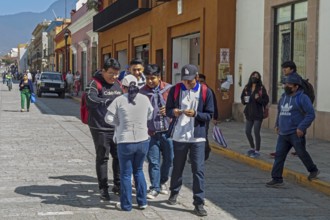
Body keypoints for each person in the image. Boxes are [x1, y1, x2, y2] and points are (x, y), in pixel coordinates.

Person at [166, 64, 214, 217]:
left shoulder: (206, 92)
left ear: (197, 77)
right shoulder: (175, 90)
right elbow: (168, 110)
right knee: (178, 166)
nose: (187, 83)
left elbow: (209, 115)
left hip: (197, 137)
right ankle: (174, 192)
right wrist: (173, 112)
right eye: (185, 80)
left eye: (190, 81)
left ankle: (199, 202)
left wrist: (196, 114)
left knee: (198, 170)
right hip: (179, 135)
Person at [105, 74, 153, 211]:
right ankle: (142, 202)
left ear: (122, 87)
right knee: (139, 171)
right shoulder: (145, 99)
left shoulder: (119, 100)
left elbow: (108, 118)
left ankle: (126, 205)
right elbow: (150, 114)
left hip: (125, 141)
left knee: (126, 174)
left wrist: (118, 123)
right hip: (143, 140)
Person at [266, 74, 319, 187]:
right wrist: (277, 124)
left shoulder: (302, 98)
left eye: (289, 84)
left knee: (301, 153)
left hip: (295, 132)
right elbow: (280, 112)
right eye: (285, 84)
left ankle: (313, 170)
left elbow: (311, 114)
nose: (286, 86)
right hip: (283, 133)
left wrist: (302, 127)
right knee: (279, 155)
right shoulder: (283, 97)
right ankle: (277, 178)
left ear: (296, 87)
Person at [85, 58, 122, 200]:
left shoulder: (118, 84)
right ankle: (103, 188)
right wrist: (107, 101)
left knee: (118, 156)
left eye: (116, 74)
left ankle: (118, 185)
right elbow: (90, 100)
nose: (114, 77)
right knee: (103, 158)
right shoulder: (94, 84)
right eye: (111, 73)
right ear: (103, 71)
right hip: (99, 127)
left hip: (117, 128)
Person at [139, 64, 173, 199]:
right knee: (153, 161)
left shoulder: (170, 90)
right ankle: (154, 187)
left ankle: (162, 181)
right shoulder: (142, 92)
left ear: (159, 77)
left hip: (168, 132)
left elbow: (178, 107)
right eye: (147, 78)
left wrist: (169, 110)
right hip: (151, 132)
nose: (150, 81)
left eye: (152, 78)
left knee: (169, 159)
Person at [270, 61, 301, 157]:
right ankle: (282, 151)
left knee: (296, 135)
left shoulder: (296, 80)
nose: (283, 70)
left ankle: (300, 152)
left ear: (292, 69)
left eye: (286, 68)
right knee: (284, 133)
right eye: (283, 68)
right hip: (285, 107)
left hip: (294, 110)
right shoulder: (286, 79)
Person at [240, 71, 269, 158]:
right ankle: (252, 147)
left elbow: (265, 101)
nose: (254, 77)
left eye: (256, 76)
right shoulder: (246, 88)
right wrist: (244, 100)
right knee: (247, 131)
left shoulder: (261, 88)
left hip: (258, 113)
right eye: (253, 75)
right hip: (249, 113)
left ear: (259, 78)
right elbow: (242, 98)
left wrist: (258, 99)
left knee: (256, 132)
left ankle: (257, 150)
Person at [197, 73, 219, 160]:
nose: (200, 83)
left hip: (204, 117)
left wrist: (215, 117)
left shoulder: (208, 91)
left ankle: (205, 152)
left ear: (205, 81)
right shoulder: (192, 90)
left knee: (203, 135)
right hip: (193, 117)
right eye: (198, 81)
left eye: (201, 81)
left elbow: (214, 105)